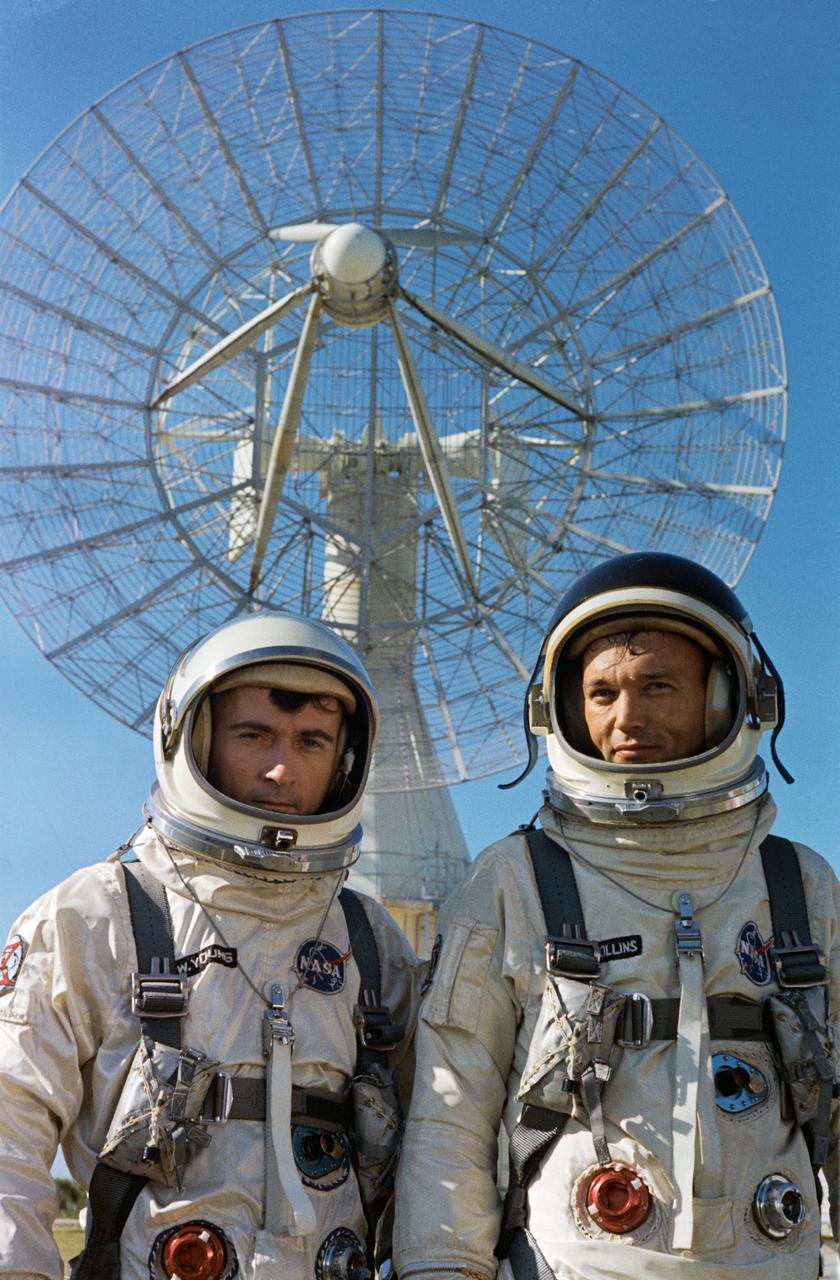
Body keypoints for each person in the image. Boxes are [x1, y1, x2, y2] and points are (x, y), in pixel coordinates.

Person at [393, 552, 839, 1279]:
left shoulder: (798, 886)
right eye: (601, 694)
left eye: (657, 686)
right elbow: (451, 1119)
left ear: (730, 699)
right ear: (561, 710)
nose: (625, 718)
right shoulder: (517, 880)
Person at [0, 612, 420, 1280]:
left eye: (312, 741)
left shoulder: (368, 944)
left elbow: (444, 1148)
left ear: (344, 762)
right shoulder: (95, 917)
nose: (282, 770)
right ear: (190, 738)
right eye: (254, 735)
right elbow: (8, 1126)